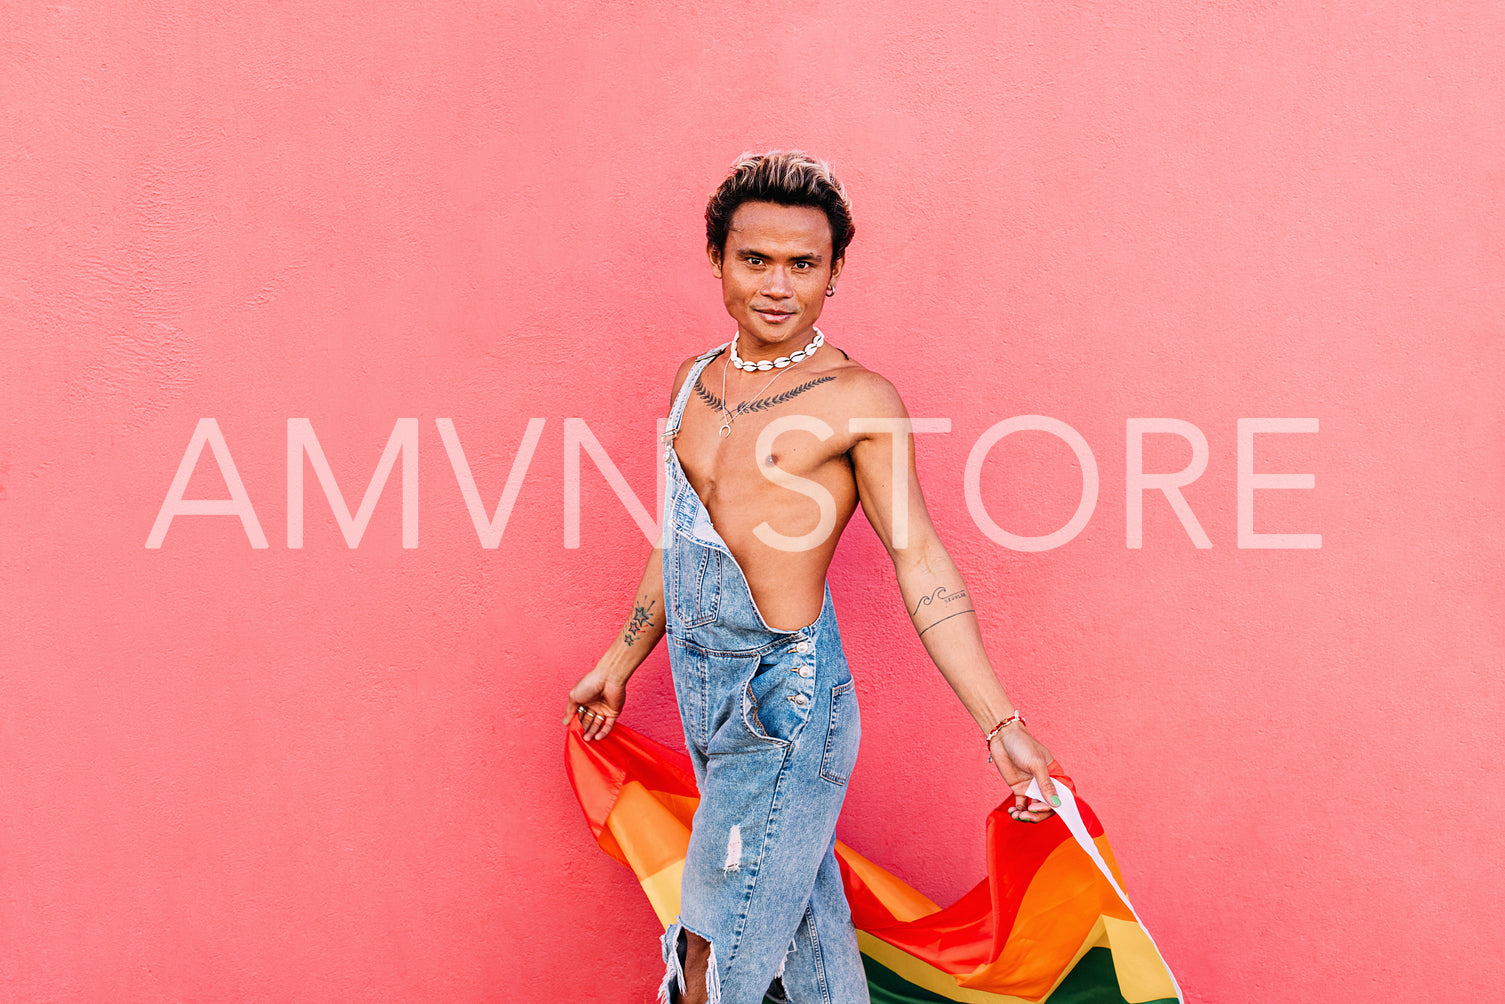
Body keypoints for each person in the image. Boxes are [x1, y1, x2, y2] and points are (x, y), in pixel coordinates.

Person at [567, 151, 1062, 1004]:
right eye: (755, 259)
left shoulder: (856, 399)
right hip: (699, 685)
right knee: (805, 942)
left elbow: (921, 560)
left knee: (709, 957)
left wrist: (1000, 723)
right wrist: (618, 663)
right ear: (718, 260)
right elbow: (680, 539)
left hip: (782, 702)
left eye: (804, 264)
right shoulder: (694, 380)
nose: (777, 285)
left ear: (834, 274)